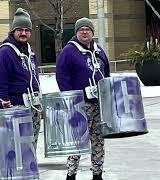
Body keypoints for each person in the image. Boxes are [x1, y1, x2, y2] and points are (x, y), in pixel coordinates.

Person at [56, 17, 110, 180]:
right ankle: (71, 174)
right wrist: (71, 99)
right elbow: (62, 77)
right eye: (81, 29)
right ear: (76, 33)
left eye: (87, 29)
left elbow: (106, 74)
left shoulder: (99, 51)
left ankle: (97, 173)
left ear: (92, 32)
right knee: (77, 140)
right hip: (80, 104)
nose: (84, 32)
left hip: (98, 104)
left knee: (98, 140)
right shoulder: (68, 51)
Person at [0, 8, 41, 148]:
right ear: (13, 31)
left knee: (31, 148)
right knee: (17, 149)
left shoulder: (29, 52)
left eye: (27, 30)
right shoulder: (5, 52)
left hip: (33, 106)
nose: (23, 33)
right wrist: (7, 106)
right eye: (20, 29)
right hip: (16, 106)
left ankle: (30, 169)